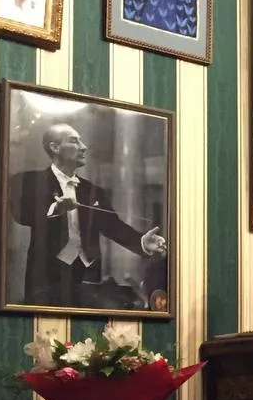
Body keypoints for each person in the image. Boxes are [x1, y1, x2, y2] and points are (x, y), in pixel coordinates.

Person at [9, 123, 166, 310]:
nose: (84, 147)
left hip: (88, 274)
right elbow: (20, 214)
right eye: (75, 141)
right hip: (46, 277)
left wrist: (141, 242)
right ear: (55, 147)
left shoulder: (92, 191)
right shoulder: (29, 181)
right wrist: (54, 209)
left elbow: (113, 226)